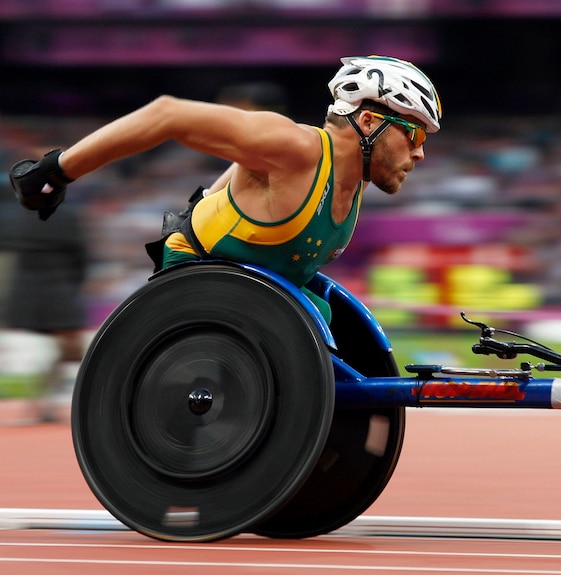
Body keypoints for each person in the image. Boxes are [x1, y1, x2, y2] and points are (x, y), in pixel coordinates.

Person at [8, 55, 442, 323]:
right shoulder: (292, 145)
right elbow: (167, 114)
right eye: (415, 136)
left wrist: (209, 200)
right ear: (368, 122)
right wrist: (56, 171)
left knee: (326, 317)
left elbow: (246, 174)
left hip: (263, 295)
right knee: (308, 324)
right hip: (203, 286)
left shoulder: (350, 180)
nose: (420, 156)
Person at [0, 184, 88, 423]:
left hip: (26, 290)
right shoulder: (68, 215)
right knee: (72, 350)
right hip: (59, 289)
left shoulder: (16, 214)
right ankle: (42, 403)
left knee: (66, 350)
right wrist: (76, 284)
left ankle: (38, 403)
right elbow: (80, 255)